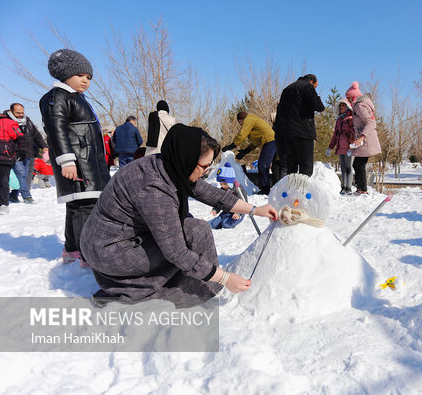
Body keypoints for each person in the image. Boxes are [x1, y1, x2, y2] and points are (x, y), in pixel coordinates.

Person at [80, 124, 278, 307]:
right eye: (204, 166)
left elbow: (210, 193)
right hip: (110, 252)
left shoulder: (169, 165)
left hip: (111, 241)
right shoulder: (155, 189)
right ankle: (135, 291)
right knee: (193, 231)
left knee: (192, 227)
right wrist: (225, 279)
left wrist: (255, 209)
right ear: (187, 159)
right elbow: (176, 252)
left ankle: (192, 279)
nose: (207, 171)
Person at [39, 48, 111, 266]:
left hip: (89, 162)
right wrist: (67, 160)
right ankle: (85, 252)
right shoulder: (56, 98)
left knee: (78, 205)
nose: (86, 81)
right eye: (80, 75)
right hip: (78, 163)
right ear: (65, 73)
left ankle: (72, 249)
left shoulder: (77, 98)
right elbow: (56, 130)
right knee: (85, 207)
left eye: (89, 77)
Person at [274, 74, 325, 176]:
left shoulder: (287, 89)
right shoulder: (307, 87)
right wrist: (316, 95)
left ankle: (291, 189)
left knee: (291, 164)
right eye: (315, 87)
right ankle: (303, 189)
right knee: (305, 164)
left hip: (286, 133)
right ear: (312, 82)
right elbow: (319, 106)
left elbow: (279, 109)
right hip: (303, 131)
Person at [222, 111, 276, 194]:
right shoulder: (252, 121)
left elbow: (242, 134)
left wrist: (232, 145)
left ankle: (265, 190)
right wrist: (245, 151)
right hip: (271, 141)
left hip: (270, 142)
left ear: (241, 120)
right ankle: (270, 189)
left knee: (263, 166)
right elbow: (255, 142)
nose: (240, 124)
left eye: (239, 122)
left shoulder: (248, 120)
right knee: (272, 166)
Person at [6, 103, 49, 203]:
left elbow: (36, 135)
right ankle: (27, 197)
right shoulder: (6, 121)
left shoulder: (27, 120)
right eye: (18, 113)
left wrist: (44, 146)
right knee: (21, 175)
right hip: (16, 154)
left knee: (27, 175)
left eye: (22, 112)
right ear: (11, 111)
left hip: (29, 153)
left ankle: (13, 195)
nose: (21, 115)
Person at [345, 82, 381, 195]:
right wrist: (354, 135)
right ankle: (361, 189)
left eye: (348, 98)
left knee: (359, 164)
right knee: (358, 164)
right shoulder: (358, 106)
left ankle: (363, 189)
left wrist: (361, 137)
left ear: (353, 97)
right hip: (364, 139)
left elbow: (370, 122)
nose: (348, 100)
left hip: (366, 140)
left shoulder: (359, 106)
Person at [0, 111, 26, 215]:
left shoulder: (8, 123)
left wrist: (22, 151)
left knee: (2, 181)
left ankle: (4, 205)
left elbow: (20, 137)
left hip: (4, 157)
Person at [326, 98, 355, 194]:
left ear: (347, 107)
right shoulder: (339, 120)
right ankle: (343, 186)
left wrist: (352, 146)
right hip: (340, 146)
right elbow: (335, 134)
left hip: (348, 147)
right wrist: (330, 147)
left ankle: (349, 187)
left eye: (343, 105)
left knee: (348, 167)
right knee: (342, 167)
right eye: (340, 106)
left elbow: (353, 133)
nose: (341, 107)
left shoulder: (351, 119)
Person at [209, 163, 246, 229]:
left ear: (230, 182)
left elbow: (244, 204)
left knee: (226, 225)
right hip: (225, 213)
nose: (223, 186)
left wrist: (238, 213)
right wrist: (215, 210)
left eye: (225, 184)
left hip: (236, 213)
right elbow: (219, 201)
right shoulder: (223, 190)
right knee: (212, 225)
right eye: (221, 184)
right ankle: (222, 220)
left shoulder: (238, 189)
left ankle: (229, 221)